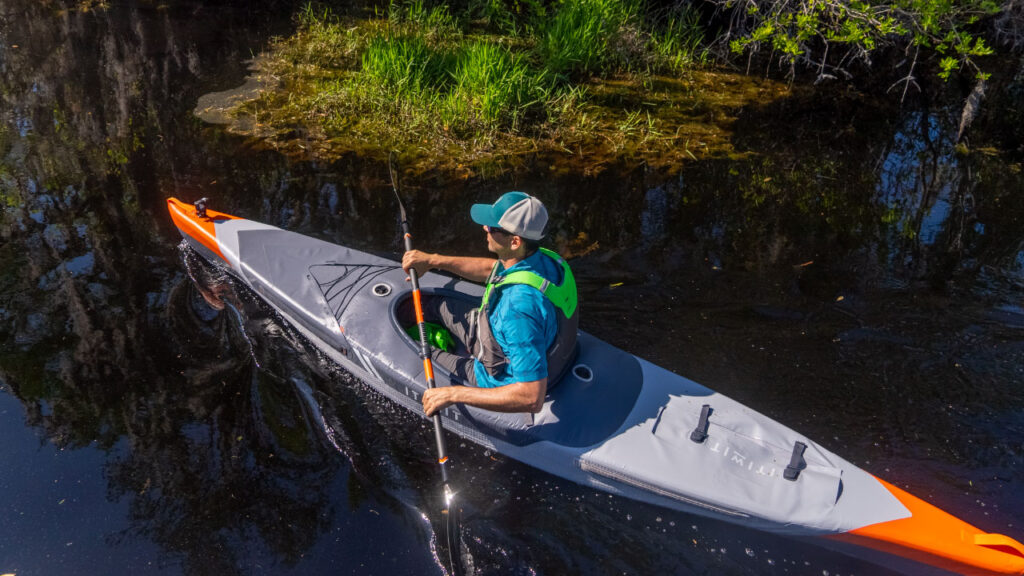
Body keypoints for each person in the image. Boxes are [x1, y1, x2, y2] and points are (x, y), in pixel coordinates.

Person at [402, 191, 578, 418]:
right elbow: (492, 270)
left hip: (495, 375)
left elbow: (532, 397)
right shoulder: (543, 259)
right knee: (437, 305)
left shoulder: (518, 309)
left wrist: (453, 394)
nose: (485, 228)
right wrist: (433, 260)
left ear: (515, 241)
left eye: (492, 228)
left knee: (416, 346)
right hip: (503, 337)